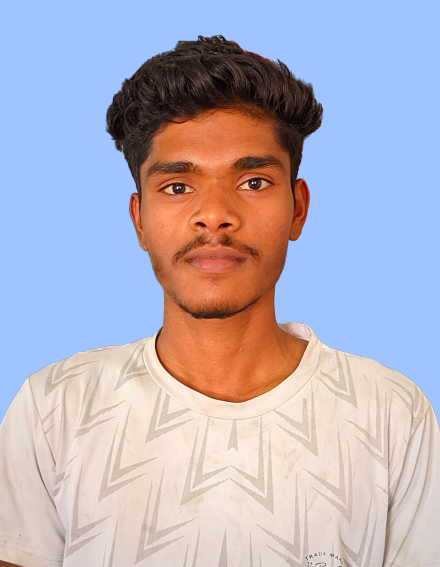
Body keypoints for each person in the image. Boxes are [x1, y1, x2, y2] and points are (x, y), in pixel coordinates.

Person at [0, 34, 439, 567]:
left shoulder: (391, 412)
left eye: (253, 182)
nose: (215, 215)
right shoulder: (55, 406)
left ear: (298, 209)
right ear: (139, 220)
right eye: (177, 187)